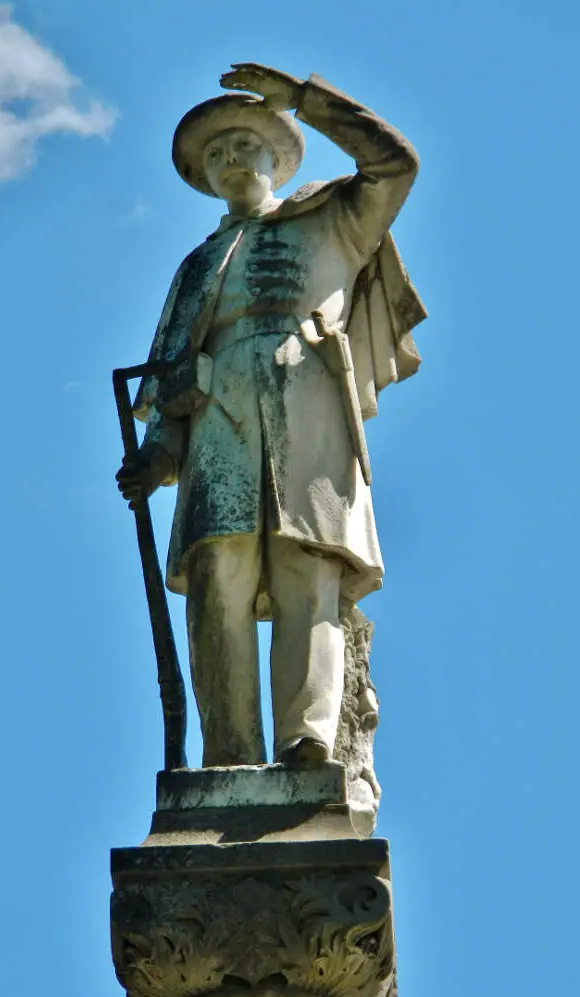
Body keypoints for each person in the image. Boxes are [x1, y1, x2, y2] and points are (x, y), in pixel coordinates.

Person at [117, 63, 425, 769]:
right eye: (214, 155)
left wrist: (306, 102)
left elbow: (395, 163)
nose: (229, 162)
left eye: (241, 147)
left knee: (306, 570)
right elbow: (170, 380)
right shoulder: (198, 266)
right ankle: (227, 755)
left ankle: (306, 737)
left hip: (308, 401)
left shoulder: (333, 217)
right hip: (220, 418)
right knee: (216, 573)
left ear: (274, 156)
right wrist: (159, 456)